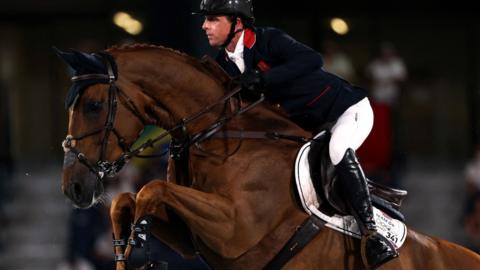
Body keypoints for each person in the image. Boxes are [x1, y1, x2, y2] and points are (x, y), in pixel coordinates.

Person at [192, 0, 398, 268]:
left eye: (213, 19)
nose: (204, 26)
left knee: (337, 150)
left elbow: (313, 60)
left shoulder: (269, 39)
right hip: (310, 127)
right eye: (206, 20)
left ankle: (373, 234)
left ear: (237, 23)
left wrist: (265, 79)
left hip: (347, 110)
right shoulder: (224, 64)